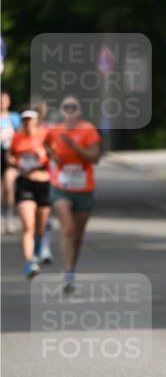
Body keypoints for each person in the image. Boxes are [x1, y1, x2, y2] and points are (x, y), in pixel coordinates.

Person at [44, 96, 101, 293]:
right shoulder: (54, 130)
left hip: (84, 189)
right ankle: (67, 274)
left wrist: (74, 146)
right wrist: (52, 155)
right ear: (61, 111)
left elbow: (95, 158)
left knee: (77, 236)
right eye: (66, 107)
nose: (69, 110)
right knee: (68, 229)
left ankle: (71, 269)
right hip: (61, 186)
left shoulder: (88, 130)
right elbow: (45, 145)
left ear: (79, 111)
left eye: (73, 107)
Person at [7, 109, 51, 278]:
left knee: (40, 226)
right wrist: (14, 161)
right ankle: (29, 263)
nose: (27, 122)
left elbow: (55, 155)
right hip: (25, 182)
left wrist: (44, 157)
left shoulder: (45, 135)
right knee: (28, 225)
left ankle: (37, 250)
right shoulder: (17, 136)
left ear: (37, 121)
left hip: (43, 182)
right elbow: (10, 155)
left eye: (30, 119)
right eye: (24, 119)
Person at [31, 96, 55, 263]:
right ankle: (36, 247)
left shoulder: (49, 129)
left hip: (48, 175)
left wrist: (47, 151)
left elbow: (55, 151)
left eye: (41, 111)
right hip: (29, 176)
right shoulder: (25, 129)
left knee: (46, 213)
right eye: (36, 111)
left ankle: (44, 248)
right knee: (33, 214)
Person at [1, 91, 22, 234]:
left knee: (9, 187)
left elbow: (21, 135)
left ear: (9, 102)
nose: (2, 103)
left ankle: (9, 217)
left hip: (10, 155)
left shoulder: (14, 117)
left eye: (4, 100)